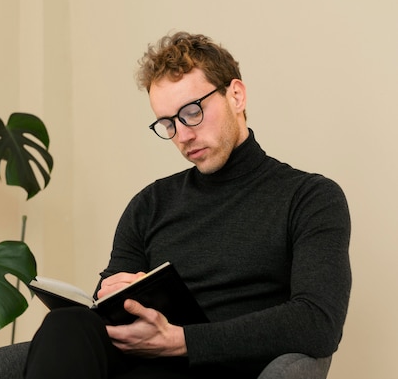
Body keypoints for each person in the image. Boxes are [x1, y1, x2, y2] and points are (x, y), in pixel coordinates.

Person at [23, 32, 351, 379]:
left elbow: (318, 321)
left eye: (192, 112)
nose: (182, 135)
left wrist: (184, 341)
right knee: (67, 322)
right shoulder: (150, 204)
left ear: (236, 95)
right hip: (138, 360)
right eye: (167, 123)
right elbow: (107, 309)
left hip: (221, 365)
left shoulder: (309, 197)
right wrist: (112, 294)